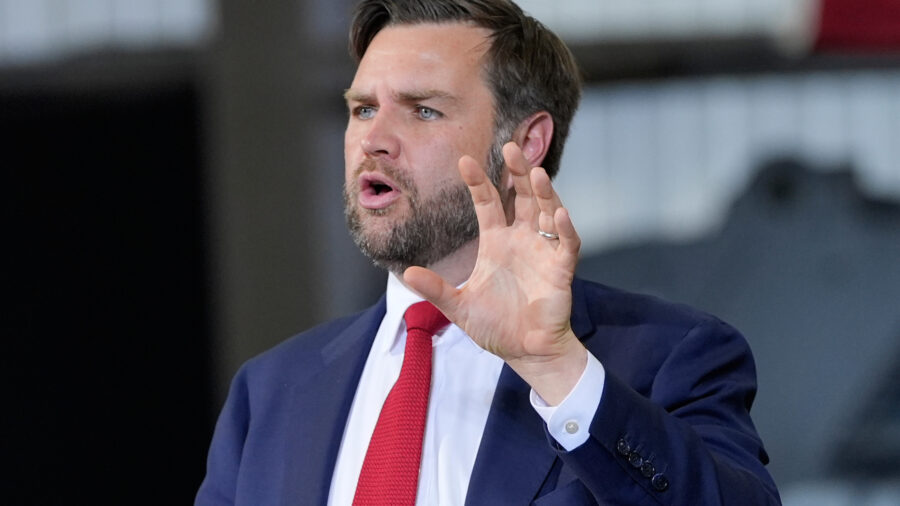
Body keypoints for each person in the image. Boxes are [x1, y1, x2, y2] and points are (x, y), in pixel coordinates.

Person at [196, 1, 781, 504]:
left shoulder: (670, 356)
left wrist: (557, 369)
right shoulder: (270, 394)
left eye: (423, 109)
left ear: (525, 143)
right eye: (363, 108)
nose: (373, 140)